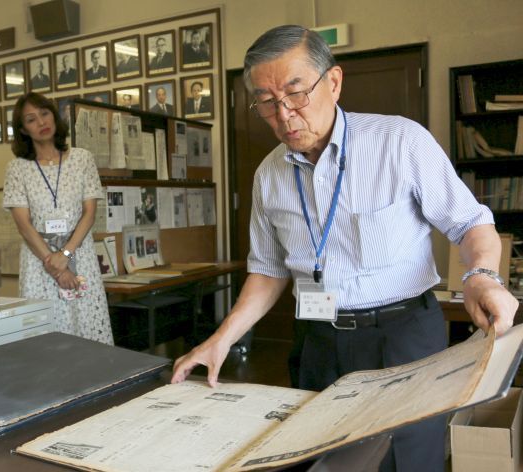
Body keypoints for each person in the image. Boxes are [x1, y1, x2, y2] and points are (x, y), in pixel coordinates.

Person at [171, 25, 519, 472]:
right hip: (318, 338)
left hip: (403, 335)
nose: (285, 115)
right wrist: (221, 340)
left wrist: (482, 276)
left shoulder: (399, 142)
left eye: (296, 94)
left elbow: (472, 223)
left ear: (333, 82)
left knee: (407, 460)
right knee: (322, 458)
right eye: (267, 102)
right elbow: (268, 271)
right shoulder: (268, 175)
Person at [3, 92, 113, 345]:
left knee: (86, 325)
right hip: (39, 261)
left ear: (54, 115)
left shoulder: (82, 158)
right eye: (31, 119)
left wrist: (65, 256)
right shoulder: (17, 168)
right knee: (45, 331)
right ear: (23, 129)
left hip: (79, 255)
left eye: (44, 113)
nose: (41, 122)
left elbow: (89, 213)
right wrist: (53, 264)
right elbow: (24, 225)